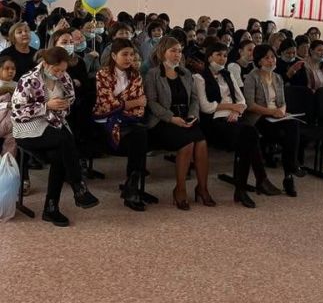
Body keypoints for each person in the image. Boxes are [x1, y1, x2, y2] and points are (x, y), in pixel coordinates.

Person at [11, 47, 99, 227]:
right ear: (45, 64)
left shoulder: (64, 77)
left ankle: (51, 208)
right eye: (56, 70)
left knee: (60, 154)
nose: (60, 74)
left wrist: (64, 105)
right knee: (65, 139)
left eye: (63, 70)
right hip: (27, 127)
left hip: (53, 124)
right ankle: (78, 186)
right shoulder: (28, 80)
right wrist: (46, 106)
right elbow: (18, 112)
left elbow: (71, 99)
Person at [194, 42, 280, 208]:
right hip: (214, 121)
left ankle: (243, 189)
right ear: (209, 57)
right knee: (249, 135)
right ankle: (255, 182)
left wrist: (236, 112)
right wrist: (231, 107)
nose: (222, 58)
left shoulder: (228, 75)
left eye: (225, 55)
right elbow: (206, 107)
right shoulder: (199, 77)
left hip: (234, 119)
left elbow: (242, 101)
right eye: (218, 55)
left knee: (247, 138)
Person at [144, 37, 214, 210]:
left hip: (185, 117)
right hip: (163, 120)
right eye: (173, 51)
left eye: (179, 51)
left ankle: (202, 188)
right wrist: (171, 118)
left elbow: (194, 99)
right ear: (163, 53)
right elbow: (151, 102)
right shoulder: (153, 74)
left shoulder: (185, 73)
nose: (177, 54)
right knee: (187, 143)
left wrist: (192, 115)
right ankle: (180, 189)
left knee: (201, 143)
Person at [93, 38, 149, 212]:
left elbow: (140, 107)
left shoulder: (135, 75)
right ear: (113, 56)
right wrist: (131, 103)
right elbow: (106, 104)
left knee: (140, 134)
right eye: (124, 54)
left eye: (131, 55)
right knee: (139, 135)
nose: (129, 58)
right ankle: (132, 186)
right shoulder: (103, 74)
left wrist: (123, 104)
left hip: (129, 121)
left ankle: (131, 185)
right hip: (105, 121)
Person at [243, 44, 302, 197]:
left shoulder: (277, 77)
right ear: (259, 61)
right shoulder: (252, 77)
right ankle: (290, 171)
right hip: (259, 117)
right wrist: (272, 112)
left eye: (273, 57)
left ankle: (289, 173)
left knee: (293, 124)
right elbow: (250, 105)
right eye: (266, 58)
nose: (271, 60)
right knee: (287, 135)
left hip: (276, 116)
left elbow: (282, 102)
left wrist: (281, 111)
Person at [0, 56, 17, 159]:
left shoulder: (18, 85)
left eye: (13, 69)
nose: (11, 71)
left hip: (12, 124)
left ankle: (7, 163)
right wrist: (6, 105)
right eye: (7, 68)